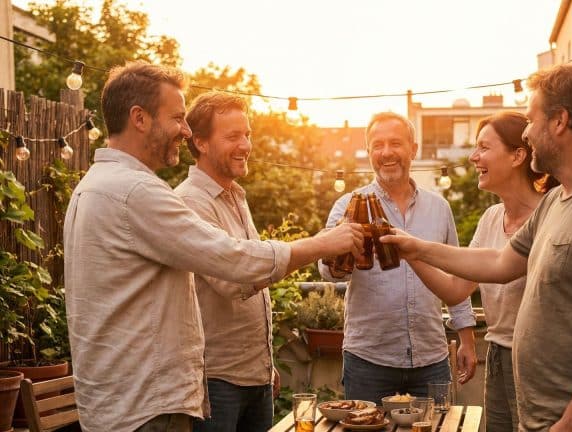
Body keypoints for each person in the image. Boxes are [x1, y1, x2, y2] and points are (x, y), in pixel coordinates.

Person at [63, 62, 363, 432]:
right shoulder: (136, 193)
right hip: (145, 409)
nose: (185, 131)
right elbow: (235, 263)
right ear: (139, 118)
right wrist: (321, 244)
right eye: (177, 118)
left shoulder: (94, 185)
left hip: (122, 404)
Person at [382, 63, 572, 431]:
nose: (527, 132)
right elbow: (498, 261)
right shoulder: (557, 200)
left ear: (560, 121)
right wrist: (414, 248)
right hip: (542, 419)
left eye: (531, 118)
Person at [406, 111, 557, 431]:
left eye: (484, 148)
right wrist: (408, 253)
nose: (474, 157)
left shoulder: (550, 215)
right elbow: (455, 290)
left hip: (537, 360)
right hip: (498, 355)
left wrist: (417, 247)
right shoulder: (491, 217)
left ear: (518, 155)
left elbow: (500, 266)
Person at [318, 111, 478, 404]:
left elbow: (457, 275)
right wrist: (340, 249)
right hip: (369, 360)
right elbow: (328, 274)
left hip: (431, 359)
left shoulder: (439, 208)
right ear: (368, 153)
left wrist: (467, 339)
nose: (386, 152)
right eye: (377, 145)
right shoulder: (348, 205)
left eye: (395, 143)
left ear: (413, 149)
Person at [173, 91, 280, 432]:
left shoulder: (236, 195)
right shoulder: (191, 202)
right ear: (201, 142)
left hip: (255, 376)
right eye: (233, 136)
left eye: (247, 134)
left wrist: (266, 364)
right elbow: (233, 282)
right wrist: (303, 253)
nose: (246, 145)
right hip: (217, 381)